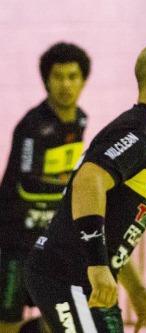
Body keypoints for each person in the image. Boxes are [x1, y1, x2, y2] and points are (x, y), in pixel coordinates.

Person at [24, 43, 146, 333]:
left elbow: (112, 231)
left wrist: (138, 292)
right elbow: (88, 181)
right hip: (67, 275)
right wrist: (96, 266)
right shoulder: (139, 131)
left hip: (87, 278)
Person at [0, 42, 90, 333]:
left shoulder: (80, 120)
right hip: (16, 241)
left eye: (72, 76)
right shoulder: (32, 124)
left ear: (83, 79)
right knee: (8, 320)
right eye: (58, 77)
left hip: (53, 243)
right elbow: (27, 182)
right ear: (46, 81)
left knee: (58, 318)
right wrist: (75, 187)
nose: (66, 85)